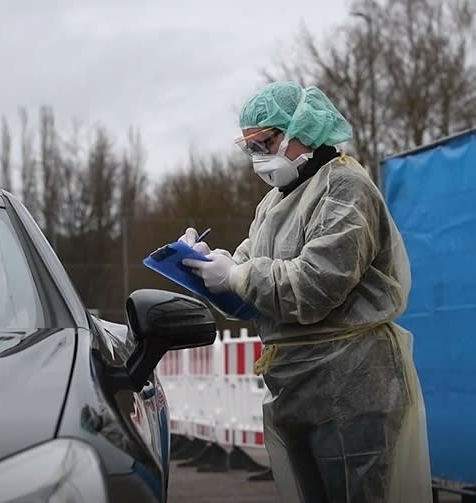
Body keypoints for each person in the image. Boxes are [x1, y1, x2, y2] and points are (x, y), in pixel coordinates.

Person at [178, 81, 432, 502]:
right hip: (297, 387)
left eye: (267, 141)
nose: (259, 157)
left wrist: (237, 276)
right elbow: (253, 287)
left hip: (353, 384)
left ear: (304, 128)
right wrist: (207, 266)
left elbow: (317, 284)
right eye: (251, 147)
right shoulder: (274, 204)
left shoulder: (343, 187)